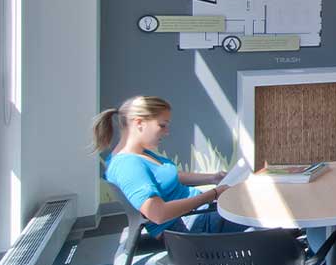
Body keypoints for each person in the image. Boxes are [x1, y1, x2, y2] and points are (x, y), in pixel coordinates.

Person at [93, 96, 248, 235]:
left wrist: (213, 177)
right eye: (162, 125)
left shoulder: (139, 153)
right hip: (190, 224)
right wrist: (212, 194)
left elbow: (166, 176)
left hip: (198, 212)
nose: (167, 132)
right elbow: (158, 214)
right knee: (261, 215)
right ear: (139, 123)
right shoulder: (128, 166)